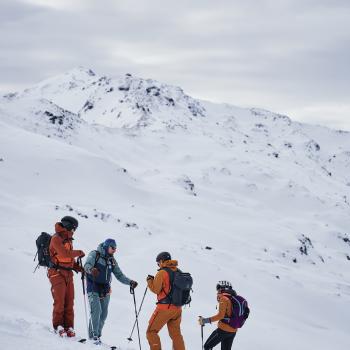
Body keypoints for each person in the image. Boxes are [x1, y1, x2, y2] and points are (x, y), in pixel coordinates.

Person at [84, 238, 138, 344]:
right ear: (106, 246)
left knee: (104, 314)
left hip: (105, 289)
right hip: (93, 285)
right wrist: (91, 270)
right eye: (112, 248)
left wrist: (130, 282)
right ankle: (93, 336)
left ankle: (98, 336)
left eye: (115, 248)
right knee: (96, 311)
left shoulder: (112, 260)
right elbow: (86, 265)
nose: (114, 250)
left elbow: (119, 275)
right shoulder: (95, 254)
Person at [48, 216, 85, 337]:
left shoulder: (69, 240)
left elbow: (70, 259)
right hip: (57, 272)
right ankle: (58, 326)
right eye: (74, 229)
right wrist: (79, 252)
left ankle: (69, 327)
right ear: (69, 226)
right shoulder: (55, 238)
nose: (74, 231)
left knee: (69, 301)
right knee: (60, 300)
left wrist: (81, 269)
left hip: (68, 273)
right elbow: (63, 253)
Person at [146, 251, 186, 350]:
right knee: (176, 335)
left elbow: (156, 289)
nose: (158, 265)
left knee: (151, 332)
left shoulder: (162, 272)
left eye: (158, 263)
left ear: (161, 261)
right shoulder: (179, 271)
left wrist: (149, 280)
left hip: (165, 308)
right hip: (177, 309)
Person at [198, 281, 241, 350]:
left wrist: (204, 321)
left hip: (223, 330)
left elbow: (220, 316)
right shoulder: (233, 298)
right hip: (233, 331)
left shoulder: (224, 299)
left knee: (207, 346)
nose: (217, 291)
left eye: (218, 289)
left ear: (222, 289)